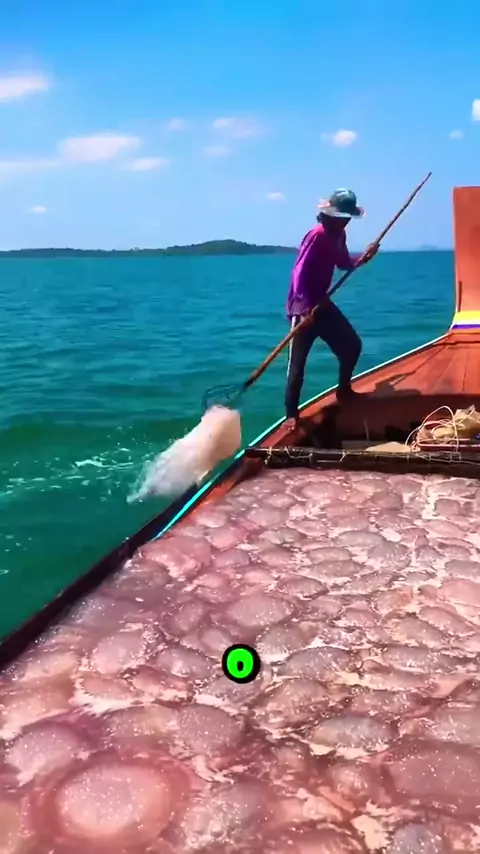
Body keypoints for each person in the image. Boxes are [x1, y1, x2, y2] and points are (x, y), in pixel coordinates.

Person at [285, 188, 378, 430]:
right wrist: (304, 309)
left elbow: (343, 263)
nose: (346, 221)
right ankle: (291, 414)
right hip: (302, 306)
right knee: (297, 366)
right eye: (342, 216)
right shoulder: (317, 235)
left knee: (352, 346)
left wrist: (363, 258)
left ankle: (343, 390)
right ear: (331, 215)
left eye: (348, 217)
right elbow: (299, 273)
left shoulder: (339, 235)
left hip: (322, 303)